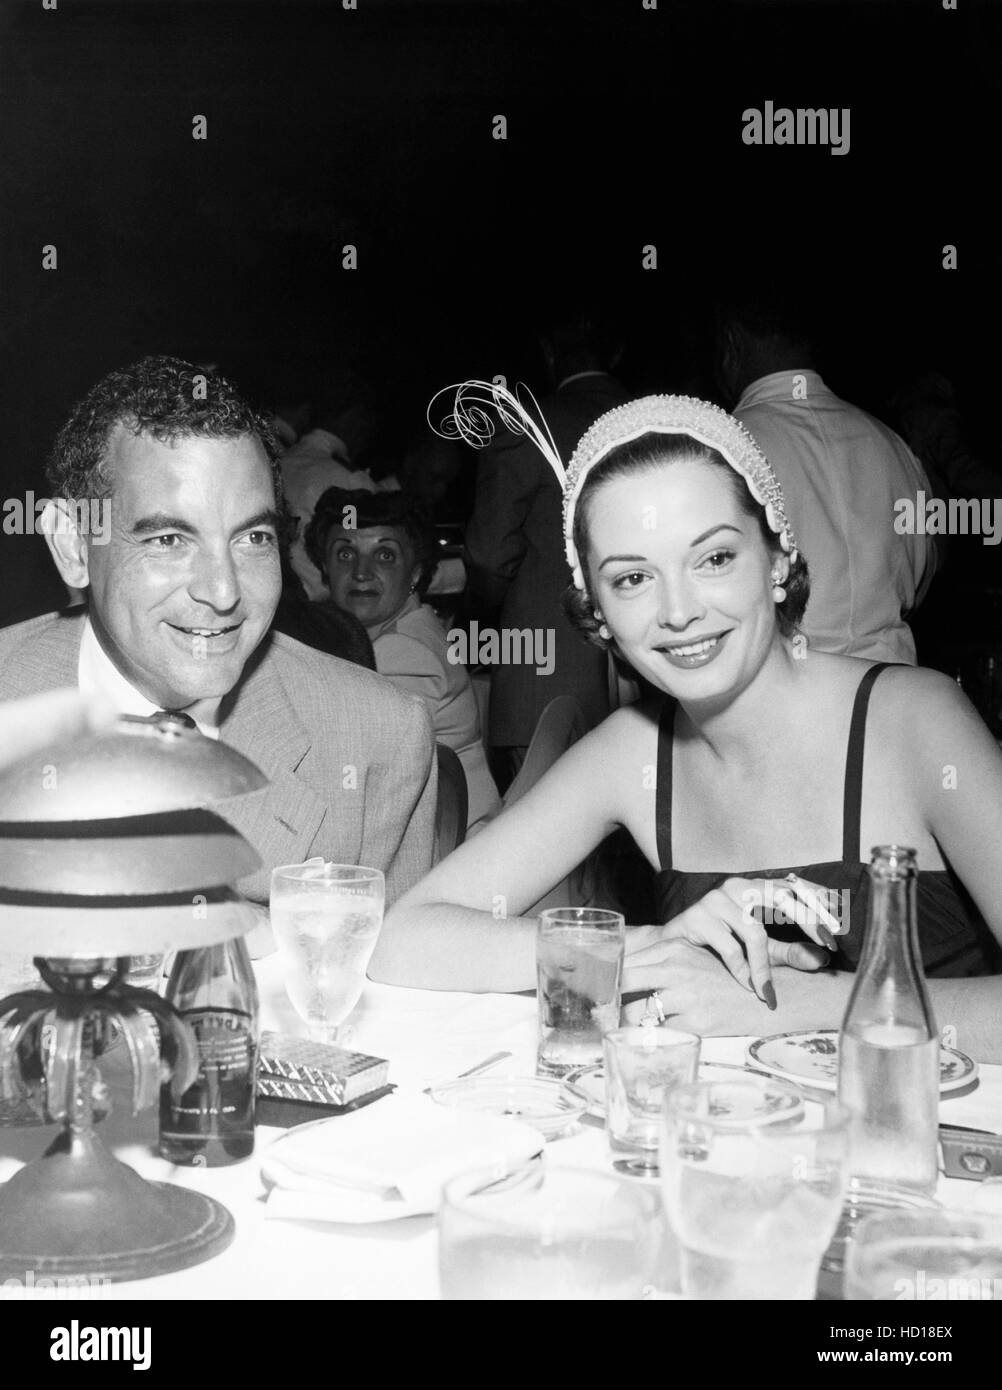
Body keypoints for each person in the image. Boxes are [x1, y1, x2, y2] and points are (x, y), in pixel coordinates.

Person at [372, 386, 1002, 1063]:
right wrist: (640, 953)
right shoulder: (629, 753)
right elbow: (405, 938)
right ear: (597, 612)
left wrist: (795, 1005)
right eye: (633, 579)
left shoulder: (918, 724)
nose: (678, 611)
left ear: (780, 559)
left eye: (715, 558)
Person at [0, 356, 436, 924]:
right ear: (73, 545)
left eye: (253, 537)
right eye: (167, 539)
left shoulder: (380, 738)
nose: (224, 591)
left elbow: (393, 997)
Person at [716, 291, 938, 665]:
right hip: (893, 693)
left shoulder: (722, 448)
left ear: (731, 344)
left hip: (780, 699)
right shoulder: (891, 444)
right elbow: (922, 573)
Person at [462, 307, 629, 791]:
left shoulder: (527, 425)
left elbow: (490, 555)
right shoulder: (660, 418)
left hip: (546, 673)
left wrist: (475, 621)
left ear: (548, 352)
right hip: (653, 677)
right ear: (616, 352)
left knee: (543, 838)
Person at [306, 486, 501, 830]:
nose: (361, 572)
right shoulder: (413, 627)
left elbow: (369, 782)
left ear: (414, 574)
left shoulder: (404, 653)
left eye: (384, 556)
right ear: (325, 568)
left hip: (443, 855)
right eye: (345, 554)